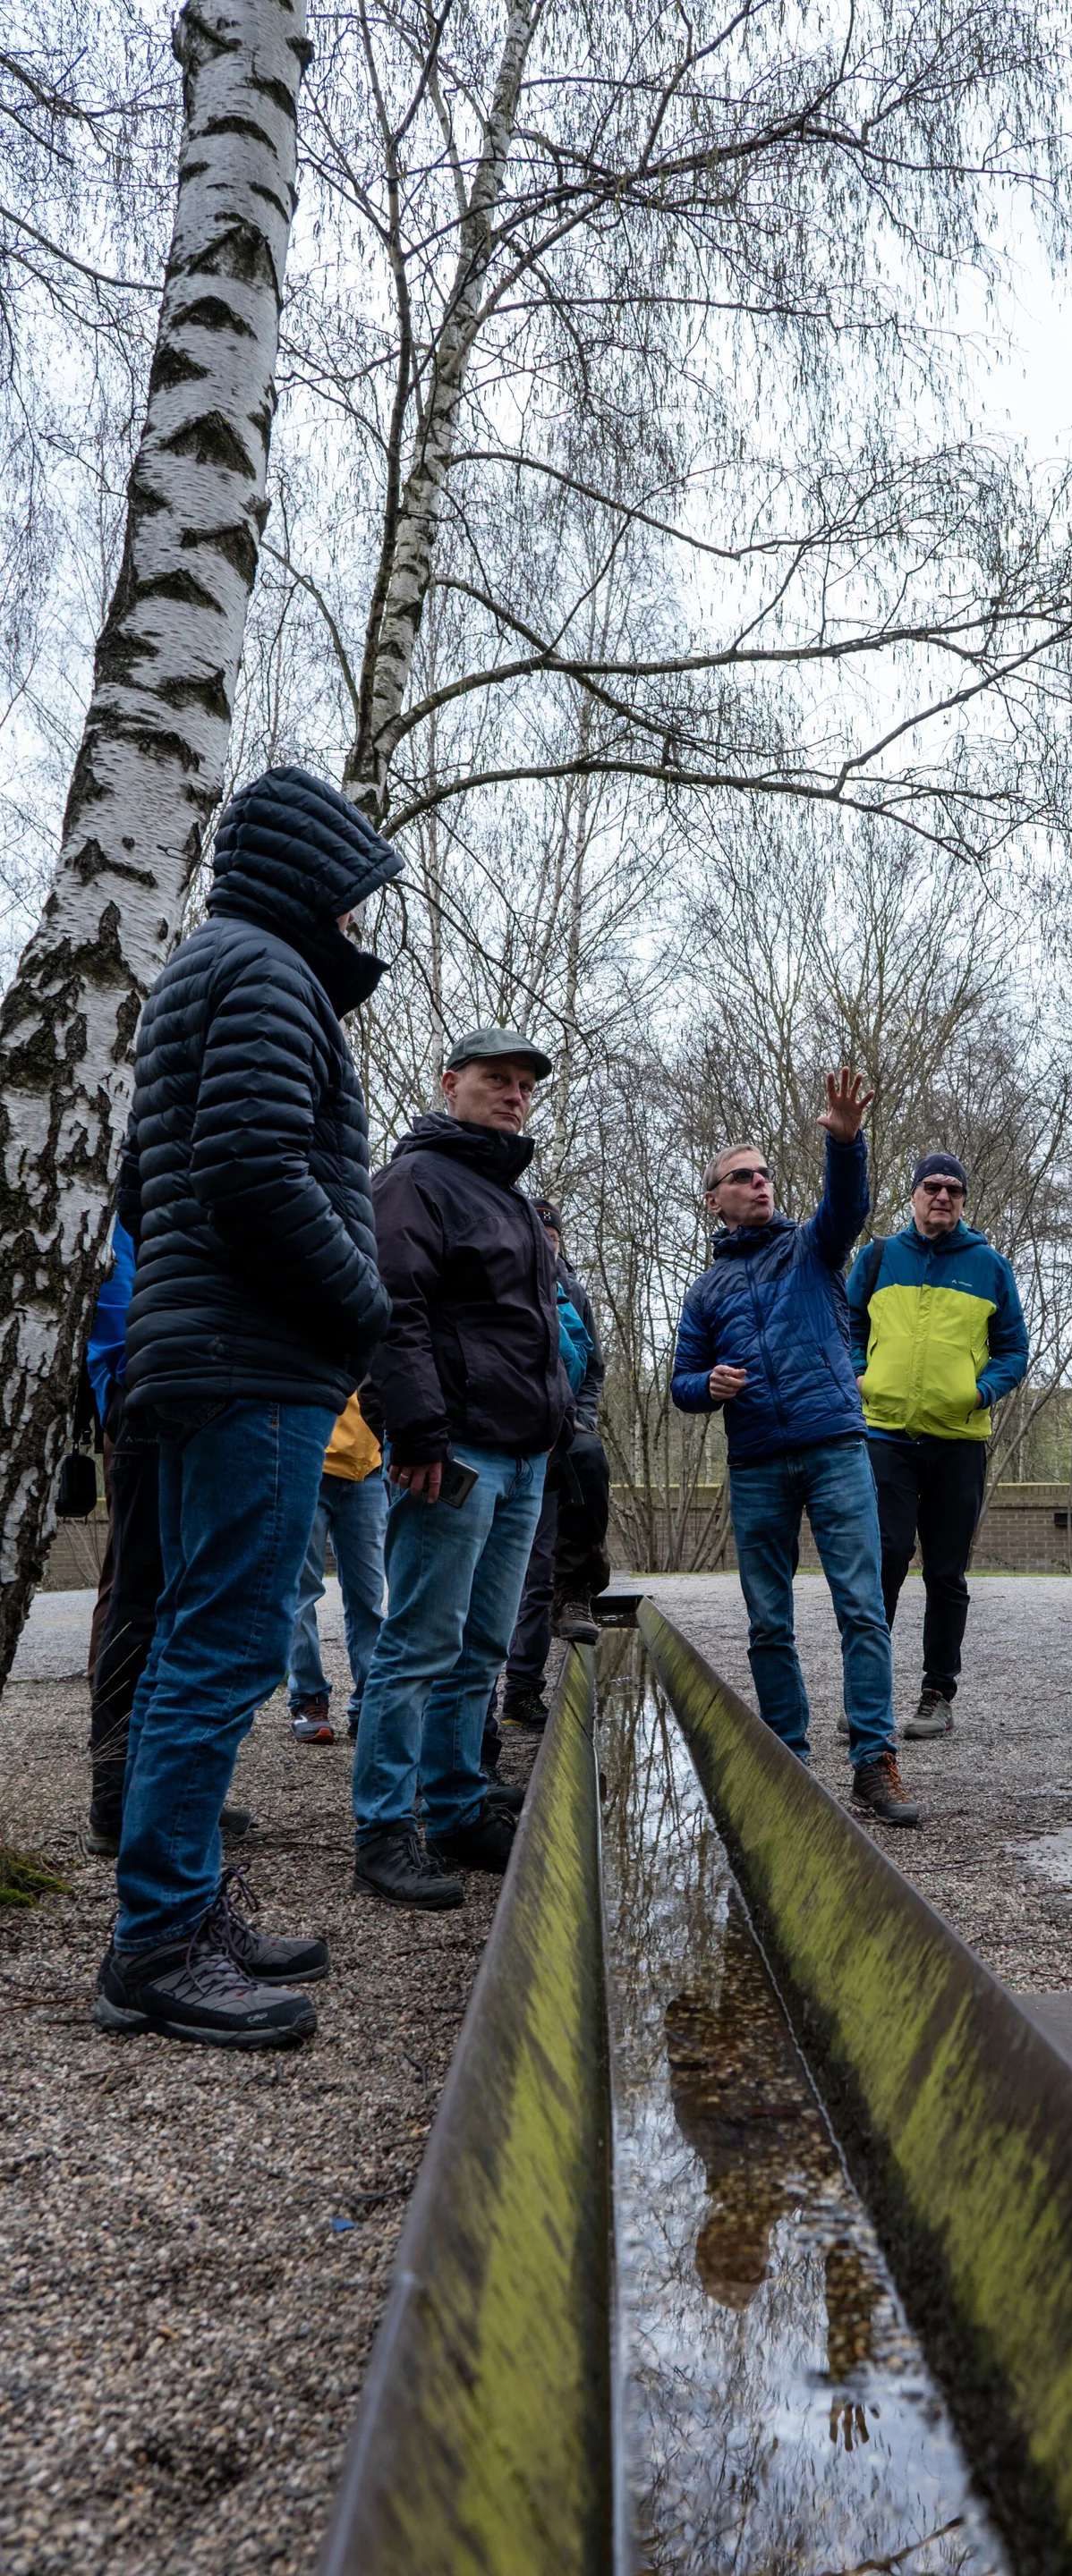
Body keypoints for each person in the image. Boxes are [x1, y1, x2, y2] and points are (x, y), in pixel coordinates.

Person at [96, 766, 401, 2048]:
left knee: (189, 1641)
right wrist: (359, 1308)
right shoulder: (270, 975)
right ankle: (158, 1944)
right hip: (255, 1367)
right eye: (352, 900)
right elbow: (249, 1167)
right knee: (222, 1649)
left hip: (195, 1354)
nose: (358, 928)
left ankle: (183, 1905)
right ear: (307, 882)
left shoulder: (201, 975)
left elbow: (137, 1186)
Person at [353, 1028, 569, 1908]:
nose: (513, 1093)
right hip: (456, 1450)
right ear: (450, 1083)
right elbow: (392, 1313)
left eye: (523, 1083)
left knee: (481, 1643)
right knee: (419, 1643)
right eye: (495, 1079)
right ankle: (383, 1827)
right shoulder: (413, 1184)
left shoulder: (508, 1194)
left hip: (523, 1455)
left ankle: (453, 1805)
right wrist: (419, 1436)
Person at [670, 1072, 919, 1826]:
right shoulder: (705, 1292)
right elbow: (680, 1381)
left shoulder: (811, 1251)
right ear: (714, 1199)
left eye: (765, 1173)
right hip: (755, 1465)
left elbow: (848, 1207)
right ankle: (788, 1760)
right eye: (741, 1177)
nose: (758, 1183)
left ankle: (874, 1762)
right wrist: (704, 1384)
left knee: (862, 1609)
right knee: (768, 1622)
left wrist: (844, 1140)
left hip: (836, 1448)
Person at [846, 1152, 1029, 1737]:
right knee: (886, 1561)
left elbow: (1014, 1351)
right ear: (914, 1194)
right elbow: (845, 1324)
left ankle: (937, 1696)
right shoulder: (876, 1258)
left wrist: (980, 1394)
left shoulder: (990, 1267)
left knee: (946, 1573)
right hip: (885, 1436)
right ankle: (865, 1699)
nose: (943, 1197)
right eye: (933, 1187)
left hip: (959, 1443)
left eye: (954, 1189)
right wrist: (857, 1375)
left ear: (963, 1200)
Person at [81, 1224, 250, 1857]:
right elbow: (118, 1303)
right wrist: (138, 1381)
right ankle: (117, 1798)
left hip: (181, 1394)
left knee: (176, 1597)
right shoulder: (123, 1184)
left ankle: (161, 1788)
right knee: (138, 1596)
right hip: (146, 1400)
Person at [489, 1198, 610, 1733]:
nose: (546, 1237)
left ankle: (522, 1690)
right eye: (536, 1229)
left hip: (558, 1442)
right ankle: (483, 1713)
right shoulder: (499, 1277)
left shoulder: (572, 1292)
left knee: (542, 1568)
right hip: (503, 1441)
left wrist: (579, 1420)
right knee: (507, 1576)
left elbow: (593, 1368)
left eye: (552, 1230)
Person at [285, 1391, 388, 1742]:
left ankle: (371, 1705)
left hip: (367, 1467)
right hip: (303, 1460)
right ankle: (308, 1699)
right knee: (301, 1593)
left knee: (369, 1598)